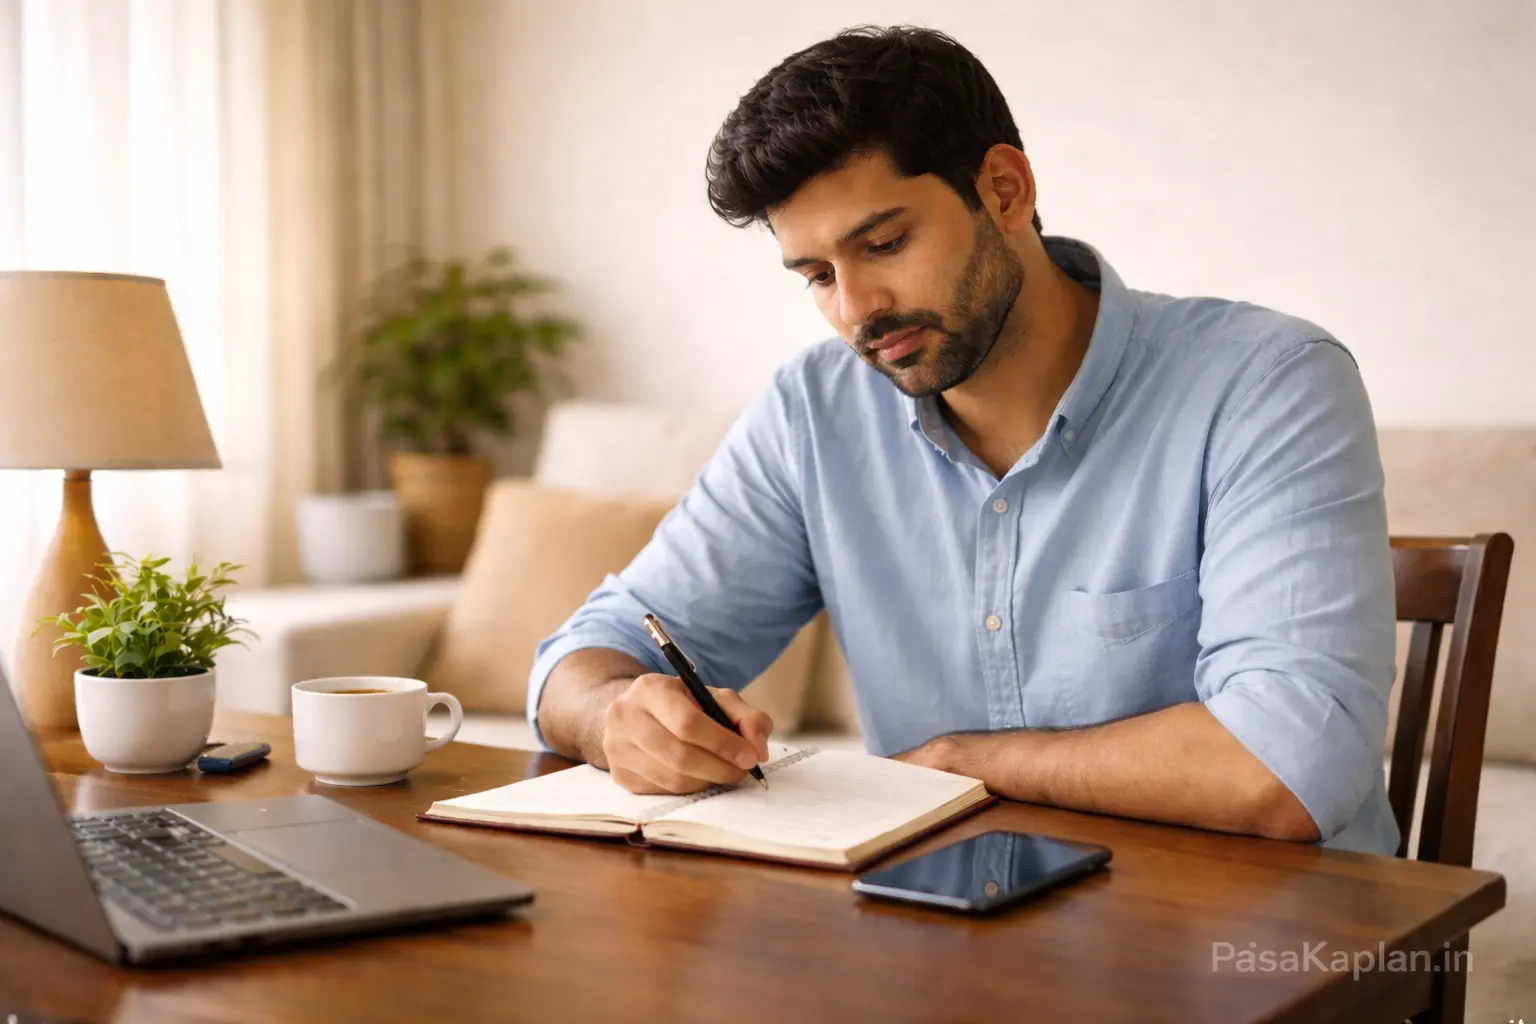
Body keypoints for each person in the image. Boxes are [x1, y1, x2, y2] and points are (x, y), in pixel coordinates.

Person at [527, 25, 1399, 854]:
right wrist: (613, 719)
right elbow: (583, 655)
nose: (856, 309)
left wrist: (958, 764)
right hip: (943, 926)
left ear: (1005, 190)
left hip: (1249, 931)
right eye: (818, 275)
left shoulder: (1266, 382)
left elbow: (1291, 765)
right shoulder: (815, 412)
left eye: (885, 243)